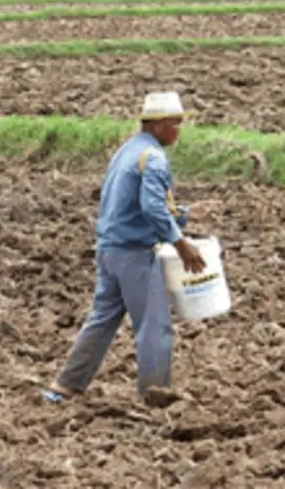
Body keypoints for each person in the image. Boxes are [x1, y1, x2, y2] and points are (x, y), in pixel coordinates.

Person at [42, 91, 207, 408]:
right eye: (175, 123)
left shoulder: (127, 152)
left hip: (109, 249)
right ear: (158, 126)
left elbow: (137, 202)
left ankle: (66, 385)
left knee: (103, 317)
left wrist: (184, 212)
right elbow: (152, 209)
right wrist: (181, 242)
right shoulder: (154, 158)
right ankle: (155, 395)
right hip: (134, 252)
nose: (179, 130)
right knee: (155, 324)